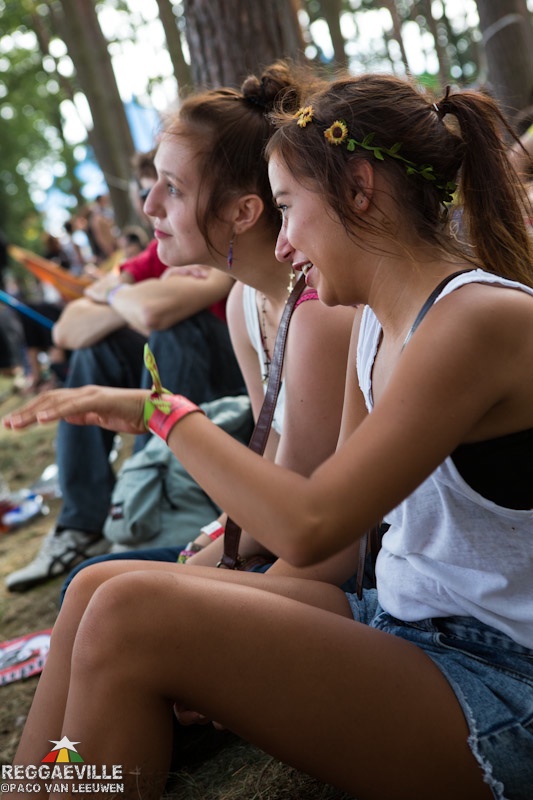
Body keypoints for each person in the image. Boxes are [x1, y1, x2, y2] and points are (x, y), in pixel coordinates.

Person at [4, 72, 533, 800]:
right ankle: (37, 786)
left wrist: (160, 413)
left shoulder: (475, 322)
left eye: (286, 210)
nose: (281, 245)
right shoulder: (379, 325)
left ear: (358, 188)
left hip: (501, 684)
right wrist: (224, 626)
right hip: (406, 622)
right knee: (103, 583)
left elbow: (312, 525)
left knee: (134, 614)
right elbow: (336, 531)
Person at [4, 181, 244, 592]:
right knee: (96, 350)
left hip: (236, 392)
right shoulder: (160, 250)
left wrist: (120, 296)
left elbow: (153, 311)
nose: (150, 205)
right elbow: (67, 328)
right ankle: (82, 522)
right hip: (181, 382)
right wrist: (132, 297)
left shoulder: (225, 241)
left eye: (171, 187)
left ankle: (149, 504)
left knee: (174, 330)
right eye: (148, 189)